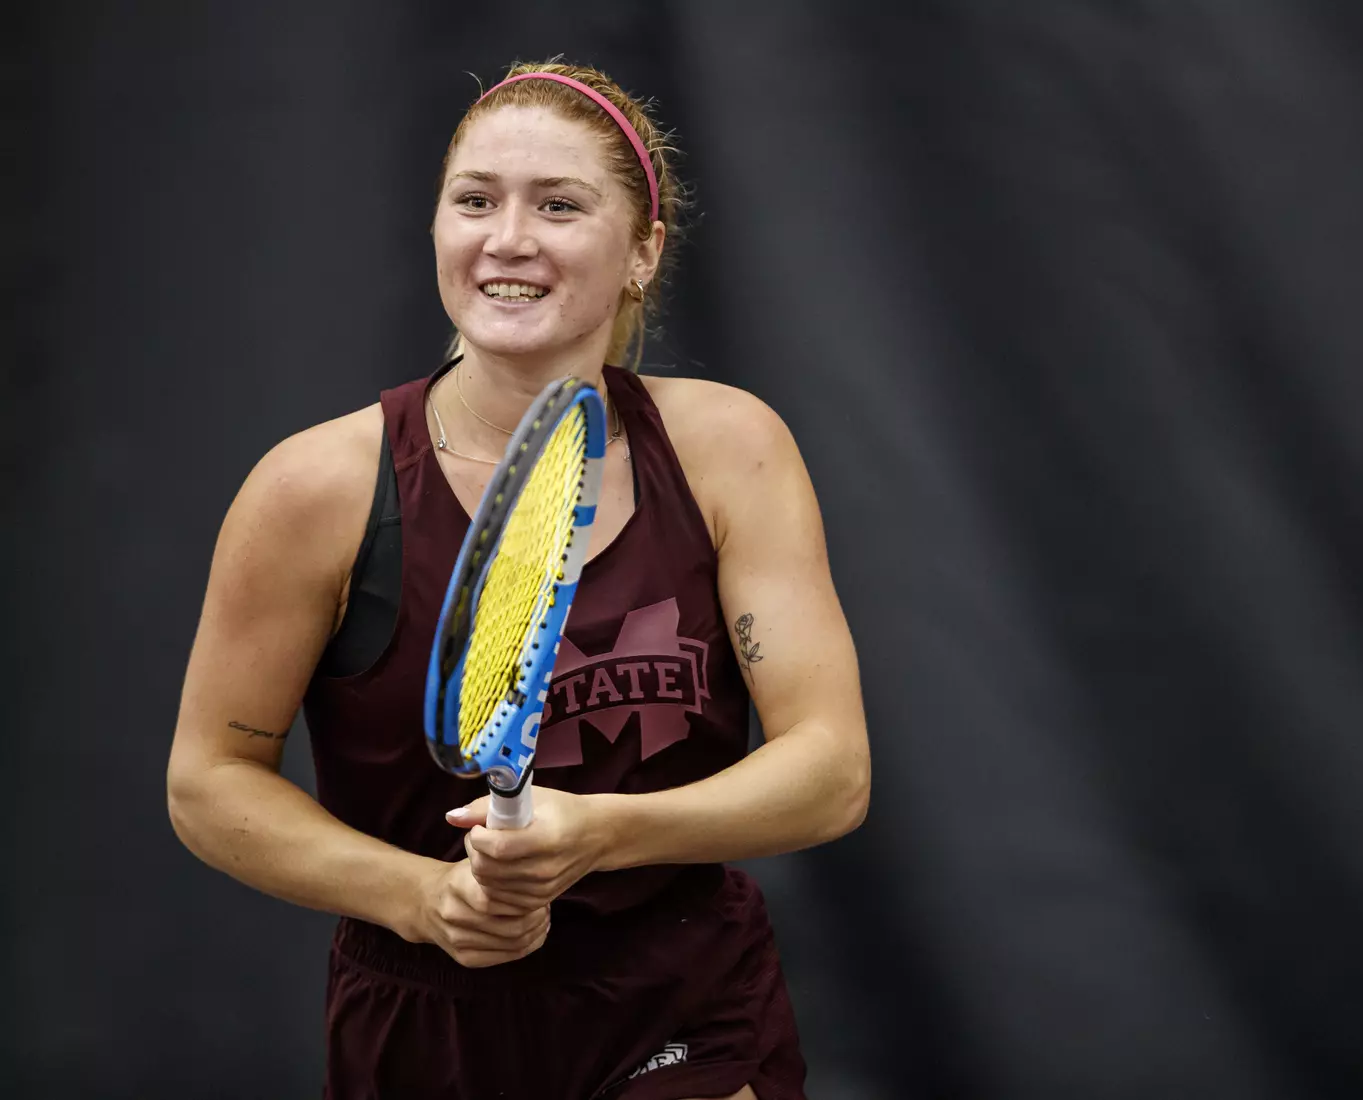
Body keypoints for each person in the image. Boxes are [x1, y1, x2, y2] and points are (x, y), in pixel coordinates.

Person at [166, 60, 869, 1100]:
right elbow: (207, 780)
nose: (507, 239)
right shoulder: (313, 488)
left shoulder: (730, 447)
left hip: (678, 997)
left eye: (559, 205)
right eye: (475, 200)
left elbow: (830, 768)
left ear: (641, 253)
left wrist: (601, 834)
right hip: (422, 1020)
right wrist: (422, 897)